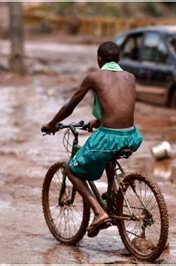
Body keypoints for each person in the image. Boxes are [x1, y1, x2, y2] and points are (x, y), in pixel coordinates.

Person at [41, 41, 142, 237]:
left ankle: (99, 213)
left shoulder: (94, 77)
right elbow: (121, 105)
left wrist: (52, 123)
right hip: (131, 135)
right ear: (119, 59)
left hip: (110, 135)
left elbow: (69, 106)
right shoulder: (130, 77)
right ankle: (113, 195)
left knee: (71, 169)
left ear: (99, 59)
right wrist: (100, 120)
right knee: (106, 153)